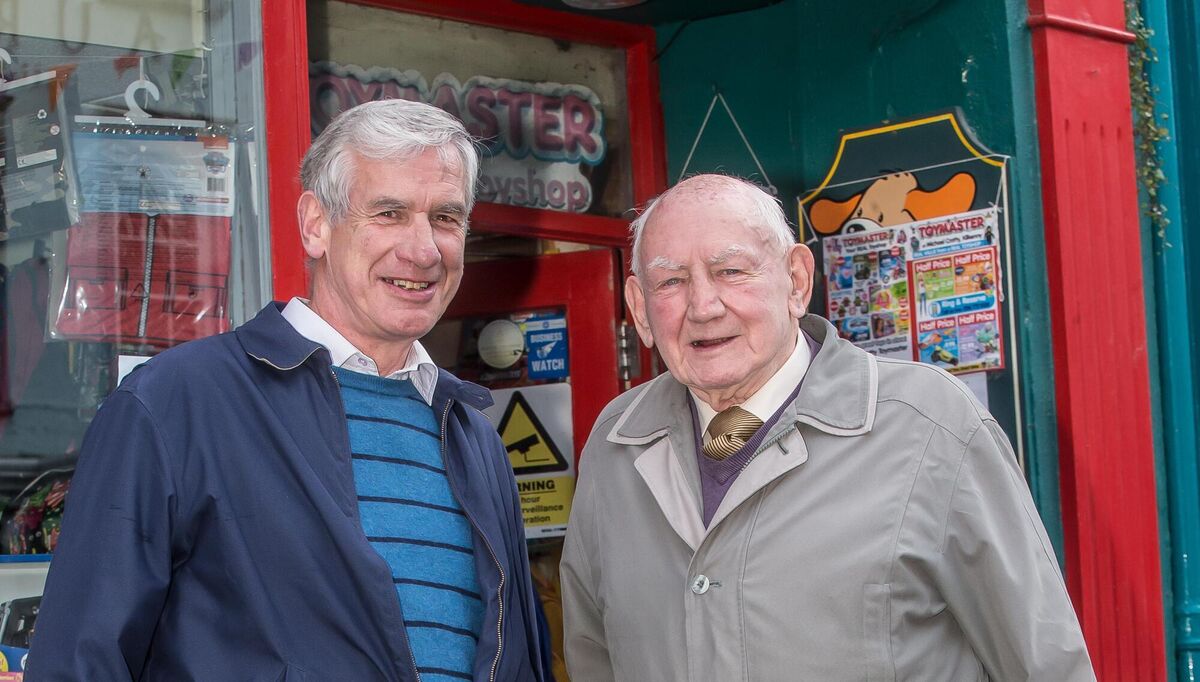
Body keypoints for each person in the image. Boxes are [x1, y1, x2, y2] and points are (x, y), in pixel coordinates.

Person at [28, 100, 544, 681]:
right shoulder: (176, 403)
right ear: (315, 225)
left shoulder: (471, 431)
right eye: (390, 213)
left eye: (446, 219)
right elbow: (81, 660)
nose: (424, 250)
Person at [560, 174, 1094, 681]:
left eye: (731, 272)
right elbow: (591, 655)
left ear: (796, 280)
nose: (703, 306)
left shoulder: (929, 425)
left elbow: (1041, 664)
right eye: (671, 281)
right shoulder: (616, 441)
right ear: (640, 309)